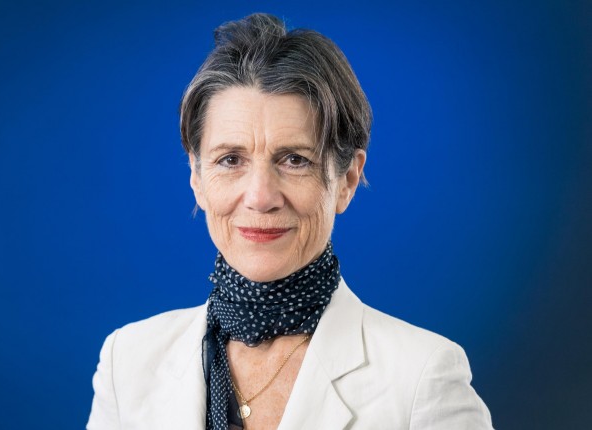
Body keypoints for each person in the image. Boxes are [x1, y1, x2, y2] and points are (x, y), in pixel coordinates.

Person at [87, 13, 493, 430]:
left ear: (347, 180)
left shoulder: (423, 377)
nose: (261, 197)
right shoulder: (127, 363)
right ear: (197, 177)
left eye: (295, 160)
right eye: (230, 159)